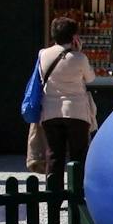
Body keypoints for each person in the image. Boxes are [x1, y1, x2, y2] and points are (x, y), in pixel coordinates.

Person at [37, 17, 95, 176]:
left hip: (50, 111)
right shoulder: (79, 58)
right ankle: (76, 194)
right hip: (76, 111)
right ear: (74, 36)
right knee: (78, 155)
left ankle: (53, 195)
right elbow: (90, 78)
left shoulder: (43, 54)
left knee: (54, 155)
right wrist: (79, 52)